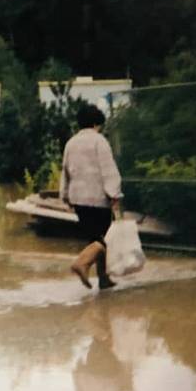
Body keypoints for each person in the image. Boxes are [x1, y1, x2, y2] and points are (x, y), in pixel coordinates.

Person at [60, 104, 123, 290]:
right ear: (96, 123)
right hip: (98, 198)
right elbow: (108, 169)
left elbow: (65, 170)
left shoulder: (71, 143)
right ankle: (81, 263)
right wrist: (115, 193)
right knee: (105, 239)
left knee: (94, 238)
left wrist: (64, 194)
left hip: (78, 198)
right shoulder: (99, 141)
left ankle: (103, 278)